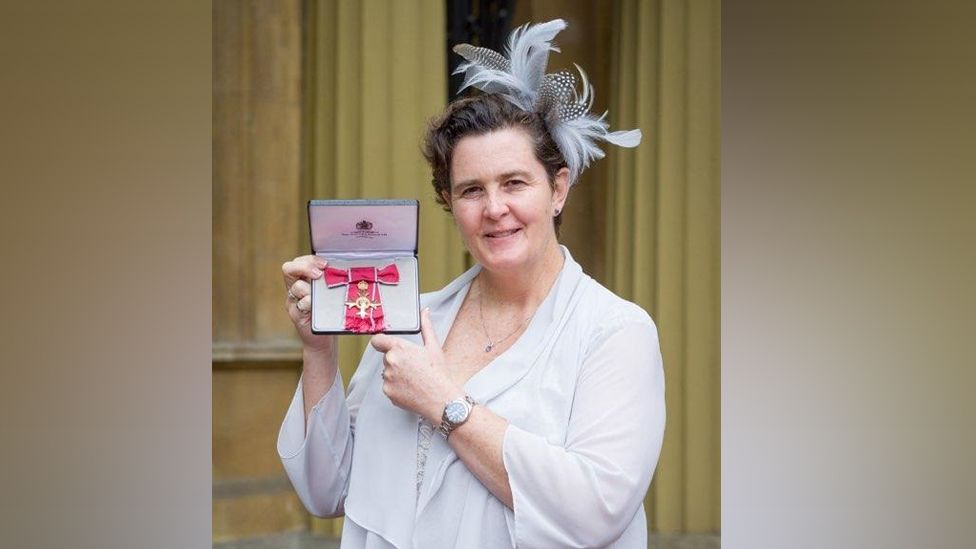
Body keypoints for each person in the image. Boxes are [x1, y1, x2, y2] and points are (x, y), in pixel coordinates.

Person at [278, 19, 665, 548]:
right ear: (450, 206)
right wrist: (319, 350)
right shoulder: (408, 322)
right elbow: (327, 492)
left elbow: (595, 512)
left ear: (557, 189)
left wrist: (446, 404)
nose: (494, 209)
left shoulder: (615, 332)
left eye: (514, 183)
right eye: (470, 191)